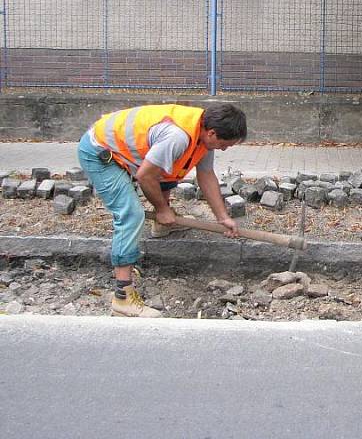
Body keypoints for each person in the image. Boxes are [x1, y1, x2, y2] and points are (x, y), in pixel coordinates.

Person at [78, 103, 247, 317]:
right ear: (212, 133)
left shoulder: (203, 134)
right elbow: (146, 175)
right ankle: (122, 298)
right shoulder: (177, 137)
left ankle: (161, 226)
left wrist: (223, 217)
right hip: (100, 152)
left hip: (131, 152)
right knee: (131, 214)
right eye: (224, 145)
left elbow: (206, 176)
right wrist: (162, 209)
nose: (224, 149)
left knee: (172, 167)